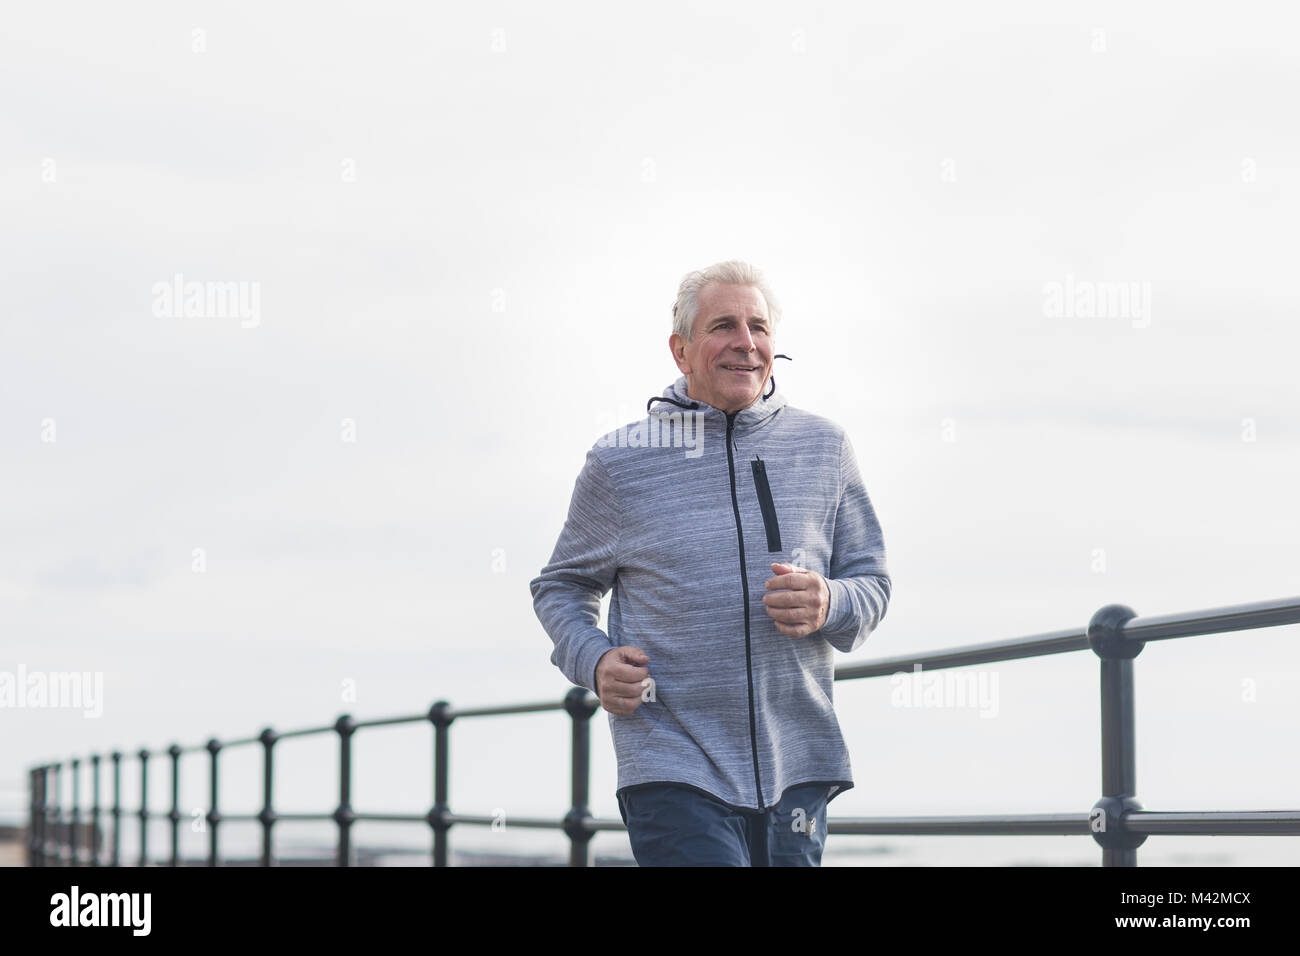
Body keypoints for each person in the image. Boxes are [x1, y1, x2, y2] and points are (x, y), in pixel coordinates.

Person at [529, 260, 891, 866]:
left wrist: (830, 600)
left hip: (799, 759)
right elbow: (560, 587)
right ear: (681, 349)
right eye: (724, 326)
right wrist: (593, 661)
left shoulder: (824, 447)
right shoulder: (621, 462)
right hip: (672, 761)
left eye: (759, 327)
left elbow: (872, 583)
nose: (745, 343)